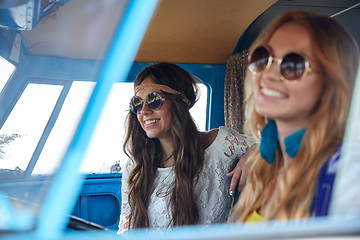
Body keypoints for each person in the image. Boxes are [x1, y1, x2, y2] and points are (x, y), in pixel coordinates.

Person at [230, 11, 359, 222]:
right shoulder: (263, 165)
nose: (268, 74)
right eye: (263, 58)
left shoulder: (348, 174)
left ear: (330, 85)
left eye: (293, 65)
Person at [118, 62, 255, 232]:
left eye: (154, 100)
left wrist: (255, 154)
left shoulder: (221, 144)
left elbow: (280, 146)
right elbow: (127, 229)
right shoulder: (135, 165)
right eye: (137, 103)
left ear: (181, 102)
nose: (144, 110)